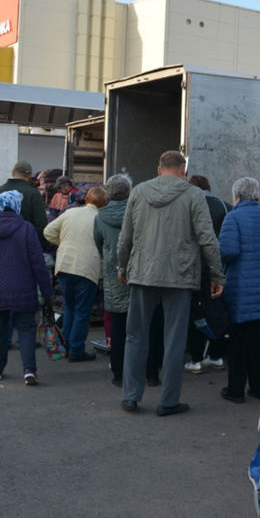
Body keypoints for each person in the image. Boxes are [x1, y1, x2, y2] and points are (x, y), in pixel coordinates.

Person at [117, 150, 225, 417]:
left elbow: (125, 237)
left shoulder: (139, 192)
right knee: (175, 340)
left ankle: (131, 396)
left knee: (135, 336)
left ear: (159, 169)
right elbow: (207, 239)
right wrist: (217, 275)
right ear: (182, 170)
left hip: (142, 272)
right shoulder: (193, 194)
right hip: (179, 275)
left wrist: (122, 266)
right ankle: (168, 402)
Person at [0, 190, 55, 384]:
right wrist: (47, 290)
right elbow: (38, 263)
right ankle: (29, 371)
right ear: (17, 206)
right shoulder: (26, 228)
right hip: (24, 290)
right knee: (26, 329)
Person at [217, 176, 260, 404]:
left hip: (241, 291)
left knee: (238, 342)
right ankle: (259, 387)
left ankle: (235, 390)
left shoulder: (232, 218)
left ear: (236, 196)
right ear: (256, 196)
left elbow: (229, 251)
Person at [44, 185, 107, 361]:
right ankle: (76, 349)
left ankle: (66, 345)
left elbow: (48, 231)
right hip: (87, 269)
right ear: (103, 204)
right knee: (82, 311)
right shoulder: (101, 218)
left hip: (65, 265)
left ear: (87, 199)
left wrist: (63, 243)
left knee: (69, 307)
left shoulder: (71, 212)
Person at [184, 174, 231, 373]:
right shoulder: (224, 206)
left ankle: (195, 360)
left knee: (195, 315)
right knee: (217, 312)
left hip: (192, 268)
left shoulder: (187, 205)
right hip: (218, 268)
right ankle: (215, 356)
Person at [93, 173, 133, 386]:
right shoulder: (138, 213)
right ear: (129, 191)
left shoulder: (100, 216)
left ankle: (118, 374)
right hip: (137, 274)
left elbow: (98, 244)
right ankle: (145, 371)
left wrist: (110, 258)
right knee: (139, 326)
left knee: (117, 327)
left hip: (113, 273)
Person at [0, 161, 50, 249]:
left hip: (0, 244)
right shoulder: (33, 194)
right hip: (24, 245)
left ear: (12, 173)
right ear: (29, 176)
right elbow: (40, 224)